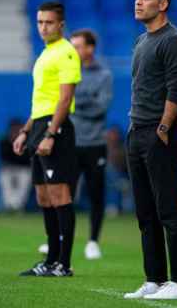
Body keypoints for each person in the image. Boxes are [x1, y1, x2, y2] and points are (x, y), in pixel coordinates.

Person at [123, 0, 177, 300]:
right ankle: (154, 279)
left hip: (159, 134)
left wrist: (162, 130)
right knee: (145, 213)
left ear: (163, 4)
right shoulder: (141, 41)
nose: (138, 2)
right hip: (136, 132)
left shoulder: (173, 41)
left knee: (169, 211)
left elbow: (176, 90)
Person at [13, 1, 81, 277]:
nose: (43, 27)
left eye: (49, 22)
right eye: (40, 22)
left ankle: (64, 264)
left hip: (57, 128)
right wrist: (26, 131)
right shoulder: (45, 54)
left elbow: (65, 98)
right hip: (41, 125)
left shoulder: (66, 53)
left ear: (61, 25)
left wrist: (52, 133)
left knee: (59, 194)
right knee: (43, 196)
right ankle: (50, 260)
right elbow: (42, 101)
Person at [70, 29, 113, 260]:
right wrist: (85, 100)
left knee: (96, 194)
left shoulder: (103, 74)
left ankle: (93, 241)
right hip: (71, 142)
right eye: (71, 46)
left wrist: (75, 101)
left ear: (90, 48)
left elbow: (101, 108)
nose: (73, 50)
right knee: (64, 193)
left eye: (77, 46)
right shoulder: (66, 71)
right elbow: (60, 103)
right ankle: (59, 238)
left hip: (95, 143)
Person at [0, 119, 32, 212]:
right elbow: (4, 157)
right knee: (5, 181)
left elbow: (27, 159)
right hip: (8, 169)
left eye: (18, 128)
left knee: (25, 178)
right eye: (13, 129)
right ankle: (9, 206)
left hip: (23, 169)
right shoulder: (4, 141)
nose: (16, 131)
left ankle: (17, 206)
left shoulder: (27, 141)